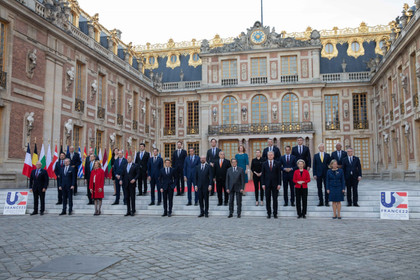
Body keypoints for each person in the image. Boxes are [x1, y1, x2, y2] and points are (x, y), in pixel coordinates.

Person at [261, 151, 281, 219]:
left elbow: (279, 174)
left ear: (273, 155)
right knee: (267, 199)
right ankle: (269, 213)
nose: (270, 156)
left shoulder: (277, 163)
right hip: (267, 184)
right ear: (267, 156)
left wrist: (279, 184)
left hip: (275, 184)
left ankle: (275, 213)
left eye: (271, 155)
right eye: (269, 155)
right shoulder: (264, 164)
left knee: (275, 199)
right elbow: (263, 175)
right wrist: (263, 184)